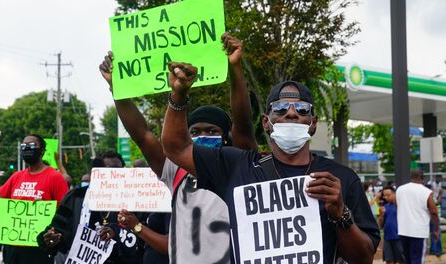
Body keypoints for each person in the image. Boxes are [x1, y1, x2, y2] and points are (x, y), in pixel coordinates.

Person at [161, 64, 380, 263]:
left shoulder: (341, 179)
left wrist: (340, 214)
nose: (292, 113)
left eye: (302, 109)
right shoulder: (237, 167)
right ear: (266, 122)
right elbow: (176, 147)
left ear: (312, 124)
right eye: (281, 108)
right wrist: (178, 95)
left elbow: (364, 258)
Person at [96, 32, 257, 264]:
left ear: (226, 137)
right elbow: (142, 134)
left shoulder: (238, 168)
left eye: (212, 131)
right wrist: (117, 88)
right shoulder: (175, 171)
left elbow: (244, 124)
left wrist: (235, 69)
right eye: (195, 132)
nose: (202, 136)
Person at [0, 134, 69, 264]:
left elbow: (65, 212)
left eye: (32, 145)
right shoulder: (16, 177)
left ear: (42, 151)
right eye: (23, 146)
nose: (27, 148)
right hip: (13, 248)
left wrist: (52, 230)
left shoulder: (55, 177)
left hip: (39, 249)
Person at [396, 169, 440, 263]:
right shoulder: (426, 192)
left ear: (411, 178)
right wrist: (436, 230)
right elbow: (434, 211)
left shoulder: (400, 189)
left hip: (403, 230)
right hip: (418, 232)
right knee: (417, 260)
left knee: (408, 260)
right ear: (423, 178)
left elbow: (398, 205)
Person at [379, 186, 404, 264]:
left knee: (402, 260)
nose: (386, 197)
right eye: (384, 195)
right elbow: (380, 225)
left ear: (394, 194)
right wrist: (381, 215)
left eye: (388, 195)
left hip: (399, 237)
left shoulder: (401, 205)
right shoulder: (385, 207)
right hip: (387, 238)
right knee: (389, 260)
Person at [428, 174, 444, 256]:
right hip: (434, 218)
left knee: (433, 233)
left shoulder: (431, 196)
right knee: (437, 233)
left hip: (434, 217)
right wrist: (440, 195)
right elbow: (436, 203)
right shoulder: (430, 197)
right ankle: (436, 250)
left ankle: (433, 249)